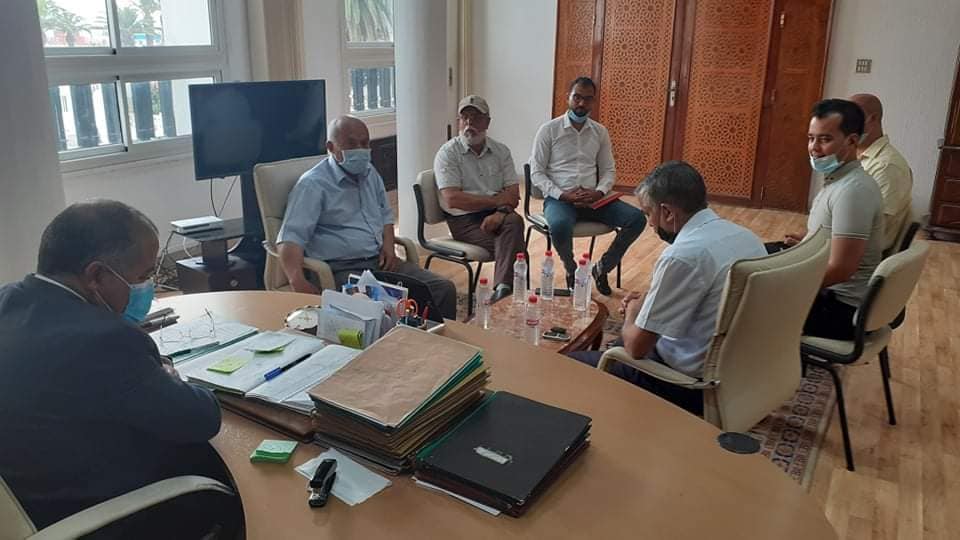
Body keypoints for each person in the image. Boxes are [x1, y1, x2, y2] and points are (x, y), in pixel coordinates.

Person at [0, 200, 242, 538]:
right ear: (96, 275)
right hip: (95, 513)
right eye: (143, 276)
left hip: (26, 494)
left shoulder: (8, 299)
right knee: (235, 482)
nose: (148, 287)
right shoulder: (104, 339)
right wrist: (167, 375)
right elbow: (202, 418)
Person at [568, 161, 766, 415]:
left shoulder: (682, 256)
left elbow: (636, 348)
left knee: (567, 365)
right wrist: (652, 300)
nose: (650, 224)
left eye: (648, 213)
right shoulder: (746, 237)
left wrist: (633, 312)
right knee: (619, 341)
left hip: (686, 385)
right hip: (738, 378)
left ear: (667, 213)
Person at [278, 115, 457, 319]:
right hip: (340, 269)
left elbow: (385, 215)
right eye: (352, 144)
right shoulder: (313, 185)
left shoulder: (370, 172)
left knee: (442, 289)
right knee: (378, 309)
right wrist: (297, 281)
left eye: (365, 143)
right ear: (331, 147)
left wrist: (388, 246)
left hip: (379, 261)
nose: (361, 150)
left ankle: (432, 338)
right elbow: (291, 238)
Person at [529, 76, 646, 295]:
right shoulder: (549, 130)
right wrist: (562, 194)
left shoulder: (600, 132)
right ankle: (572, 270)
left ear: (594, 101)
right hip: (561, 199)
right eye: (577, 97)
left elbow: (609, 170)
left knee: (637, 219)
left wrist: (599, 192)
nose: (581, 103)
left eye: (588, 99)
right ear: (568, 97)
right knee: (559, 225)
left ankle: (601, 268)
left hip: (594, 200)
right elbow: (536, 172)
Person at [780, 99, 885, 340]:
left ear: (852, 141)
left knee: (746, 304)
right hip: (829, 294)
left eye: (825, 139)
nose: (814, 147)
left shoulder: (853, 191)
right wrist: (809, 242)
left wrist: (788, 285)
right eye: (811, 138)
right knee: (759, 256)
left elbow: (841, 270)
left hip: (839, 309)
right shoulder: (839, 179)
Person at [434, 95, 525, 303]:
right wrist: (497, 201)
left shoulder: (501, 151)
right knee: (515, 245)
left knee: (513, 224)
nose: (469, 123)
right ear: (459, 121)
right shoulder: (448, 153)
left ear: (487, 122)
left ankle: (503, 290)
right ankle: (506, 293)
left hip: (497, 215)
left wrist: (500, 212)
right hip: (464, 221)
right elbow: (453, 199)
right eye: (464, 117)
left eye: (475, 118)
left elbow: (513, 194)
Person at [849, 93, 914, 251]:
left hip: (855, 255)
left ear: (872, 119)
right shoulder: (856, 156)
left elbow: (867, 230)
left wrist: (818, 246)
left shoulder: (886, 167)